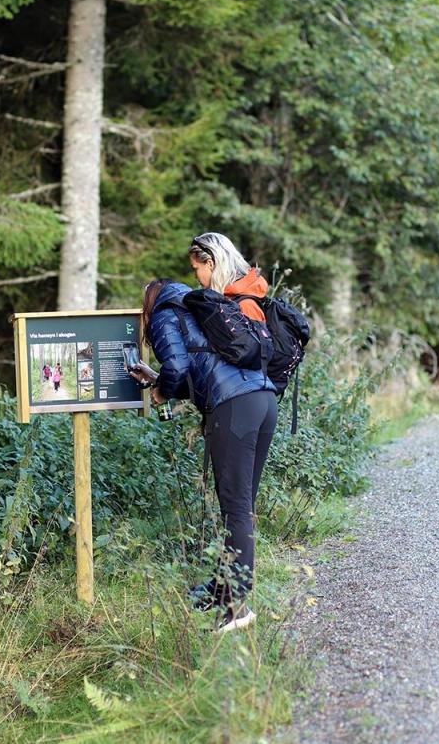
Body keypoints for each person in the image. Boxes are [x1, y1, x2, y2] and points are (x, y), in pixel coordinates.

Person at [130, 237, 278, 633]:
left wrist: (160, 390)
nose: (196, 272)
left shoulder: (163, 312)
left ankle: (236, 609)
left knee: (234, 506)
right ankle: (222, 589)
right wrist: (162, 379)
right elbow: (203, 367)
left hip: (234, 407)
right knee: (242, 504)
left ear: (150, 302)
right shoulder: (202, 307)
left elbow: (178, 368)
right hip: (264, 400)